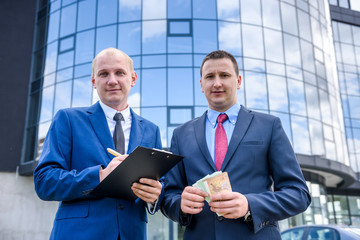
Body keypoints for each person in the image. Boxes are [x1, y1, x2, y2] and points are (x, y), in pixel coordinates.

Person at [161, 50, 311, 239]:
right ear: (201, 84)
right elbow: (168, 196)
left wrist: (250, 204)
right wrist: (180, 204)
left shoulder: (269, 126)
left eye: (224, 75)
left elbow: (298, 194)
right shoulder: (181, 134)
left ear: (238, 81)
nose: (217, 83)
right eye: (209, 77)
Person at [34, 48, 163, 240]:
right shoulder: (68, 119)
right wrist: (100, 176)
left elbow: (160, 187)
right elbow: (45, 181)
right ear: (94, 81)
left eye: (119, 72)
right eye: (103, 74)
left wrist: (155, 196)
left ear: (133, 79)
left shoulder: (152, 130)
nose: (112, 80)